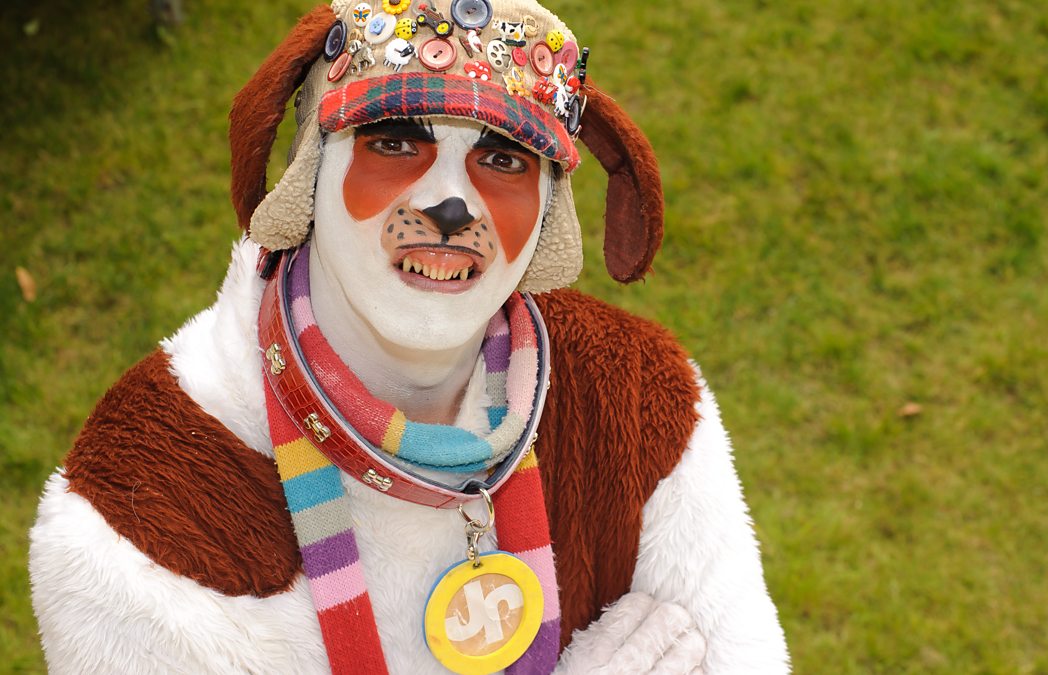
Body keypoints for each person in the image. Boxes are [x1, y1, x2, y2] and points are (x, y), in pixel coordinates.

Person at [29, 1, 790, 672]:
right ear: (308, 176)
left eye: (502, 158)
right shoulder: (131, 525)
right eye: (394, 143)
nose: (451, 205)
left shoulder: (640, 394)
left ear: (549, 216)